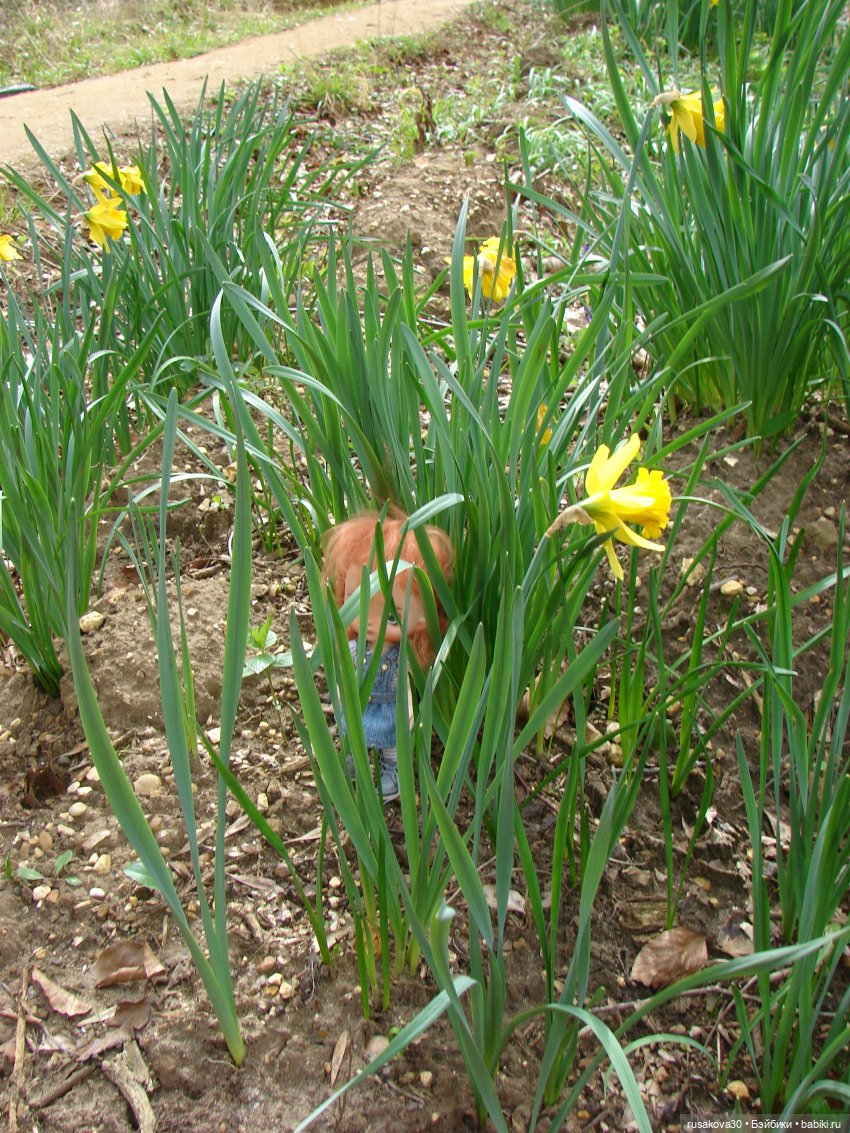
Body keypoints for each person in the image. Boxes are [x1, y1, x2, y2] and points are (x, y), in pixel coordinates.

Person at [321, 510, 453, 803]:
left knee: (393, 746)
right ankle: (354, 764)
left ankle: (391, 774)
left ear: (421, 621)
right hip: (360, 707)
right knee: (356, 738)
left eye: (392, 616)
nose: (372, 623)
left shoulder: (401, 657)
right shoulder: (354, 650)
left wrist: (408, 715)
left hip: (391, 711)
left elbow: (405, 689)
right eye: (359, 603)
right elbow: (344, 676)